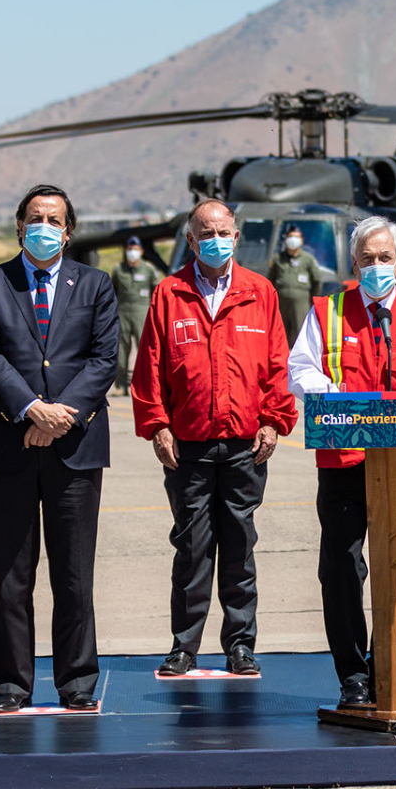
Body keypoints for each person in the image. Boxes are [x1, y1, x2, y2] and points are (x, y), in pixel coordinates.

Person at [0, 184, 118, 713]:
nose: (44, 226)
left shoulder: (96, 284)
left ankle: (76, 682)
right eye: (35, 217)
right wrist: (32, 409)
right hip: (9, 442)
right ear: (19, 225)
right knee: (11, 574)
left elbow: (103, 360)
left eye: (54, 219)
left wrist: (59, 418)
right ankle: (12, 685)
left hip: (75, 446)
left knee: (74, 574)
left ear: (69, 230)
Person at [286, 215, 396, 707]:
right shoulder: (325, 312)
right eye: (367, 259)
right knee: (340, 569)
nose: (376, 266)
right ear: (353, 263)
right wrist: (340, 402)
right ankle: (353, 676)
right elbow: (301, 370)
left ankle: (391, 669)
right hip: (341, 461)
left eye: (385, 258)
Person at [133, 200, 296, 678]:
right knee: (191, 548)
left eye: (223, 231)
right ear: (190, 240)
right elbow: (150, 367)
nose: (215, 240)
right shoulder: (169, 293)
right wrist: (157, 424)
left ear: (236, 235)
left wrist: (274, 420)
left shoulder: (259, 292)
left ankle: (240, 645)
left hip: (246, 445)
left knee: (239, 546)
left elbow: (276, 366)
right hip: (188, 446)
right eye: (206, 232)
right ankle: (184, 646)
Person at [111, 236, 161, 394]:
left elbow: (157, 292)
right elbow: (113, 291)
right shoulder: (118, 270)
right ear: (126, 251)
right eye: (130, 249)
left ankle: (145, 384)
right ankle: (120, 385)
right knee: (121, 349)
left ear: (141, 251)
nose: (132, 252)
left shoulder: (149, 269)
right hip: (123, 311)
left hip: (143, 312)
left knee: (145, 349)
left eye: (136, 249)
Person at [268, 224, 320, 347]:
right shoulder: (278, 259)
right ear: (285, 240)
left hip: (301, 302)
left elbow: (316, 280)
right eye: (290, 236)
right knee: (280, 330)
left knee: (300, 330)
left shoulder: (308, 259)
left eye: (296, 237)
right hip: (282, 302)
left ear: (302, 241)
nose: (293, 239)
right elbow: (271, 280)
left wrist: (312, 298)